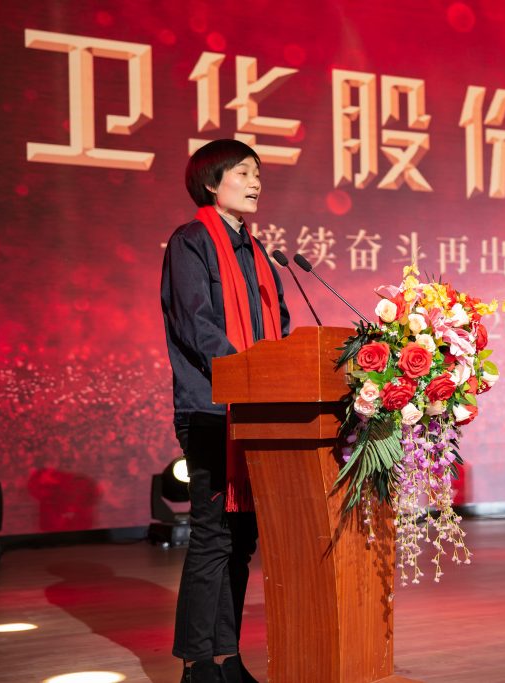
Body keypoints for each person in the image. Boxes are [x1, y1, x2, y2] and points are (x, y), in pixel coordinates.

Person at [161, 139, 290, 683]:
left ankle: (228, 658)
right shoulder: (190, 243)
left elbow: (281, 326)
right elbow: (196, 325)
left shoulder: (260, 254)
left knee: (243, 539)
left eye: (258, 173)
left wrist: (280, 371)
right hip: (212, 410)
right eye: (242, 172)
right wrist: (249, 371)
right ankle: (198, 665)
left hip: (258, 413)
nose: (255, 182)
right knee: (213, 536)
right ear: (211, 183)